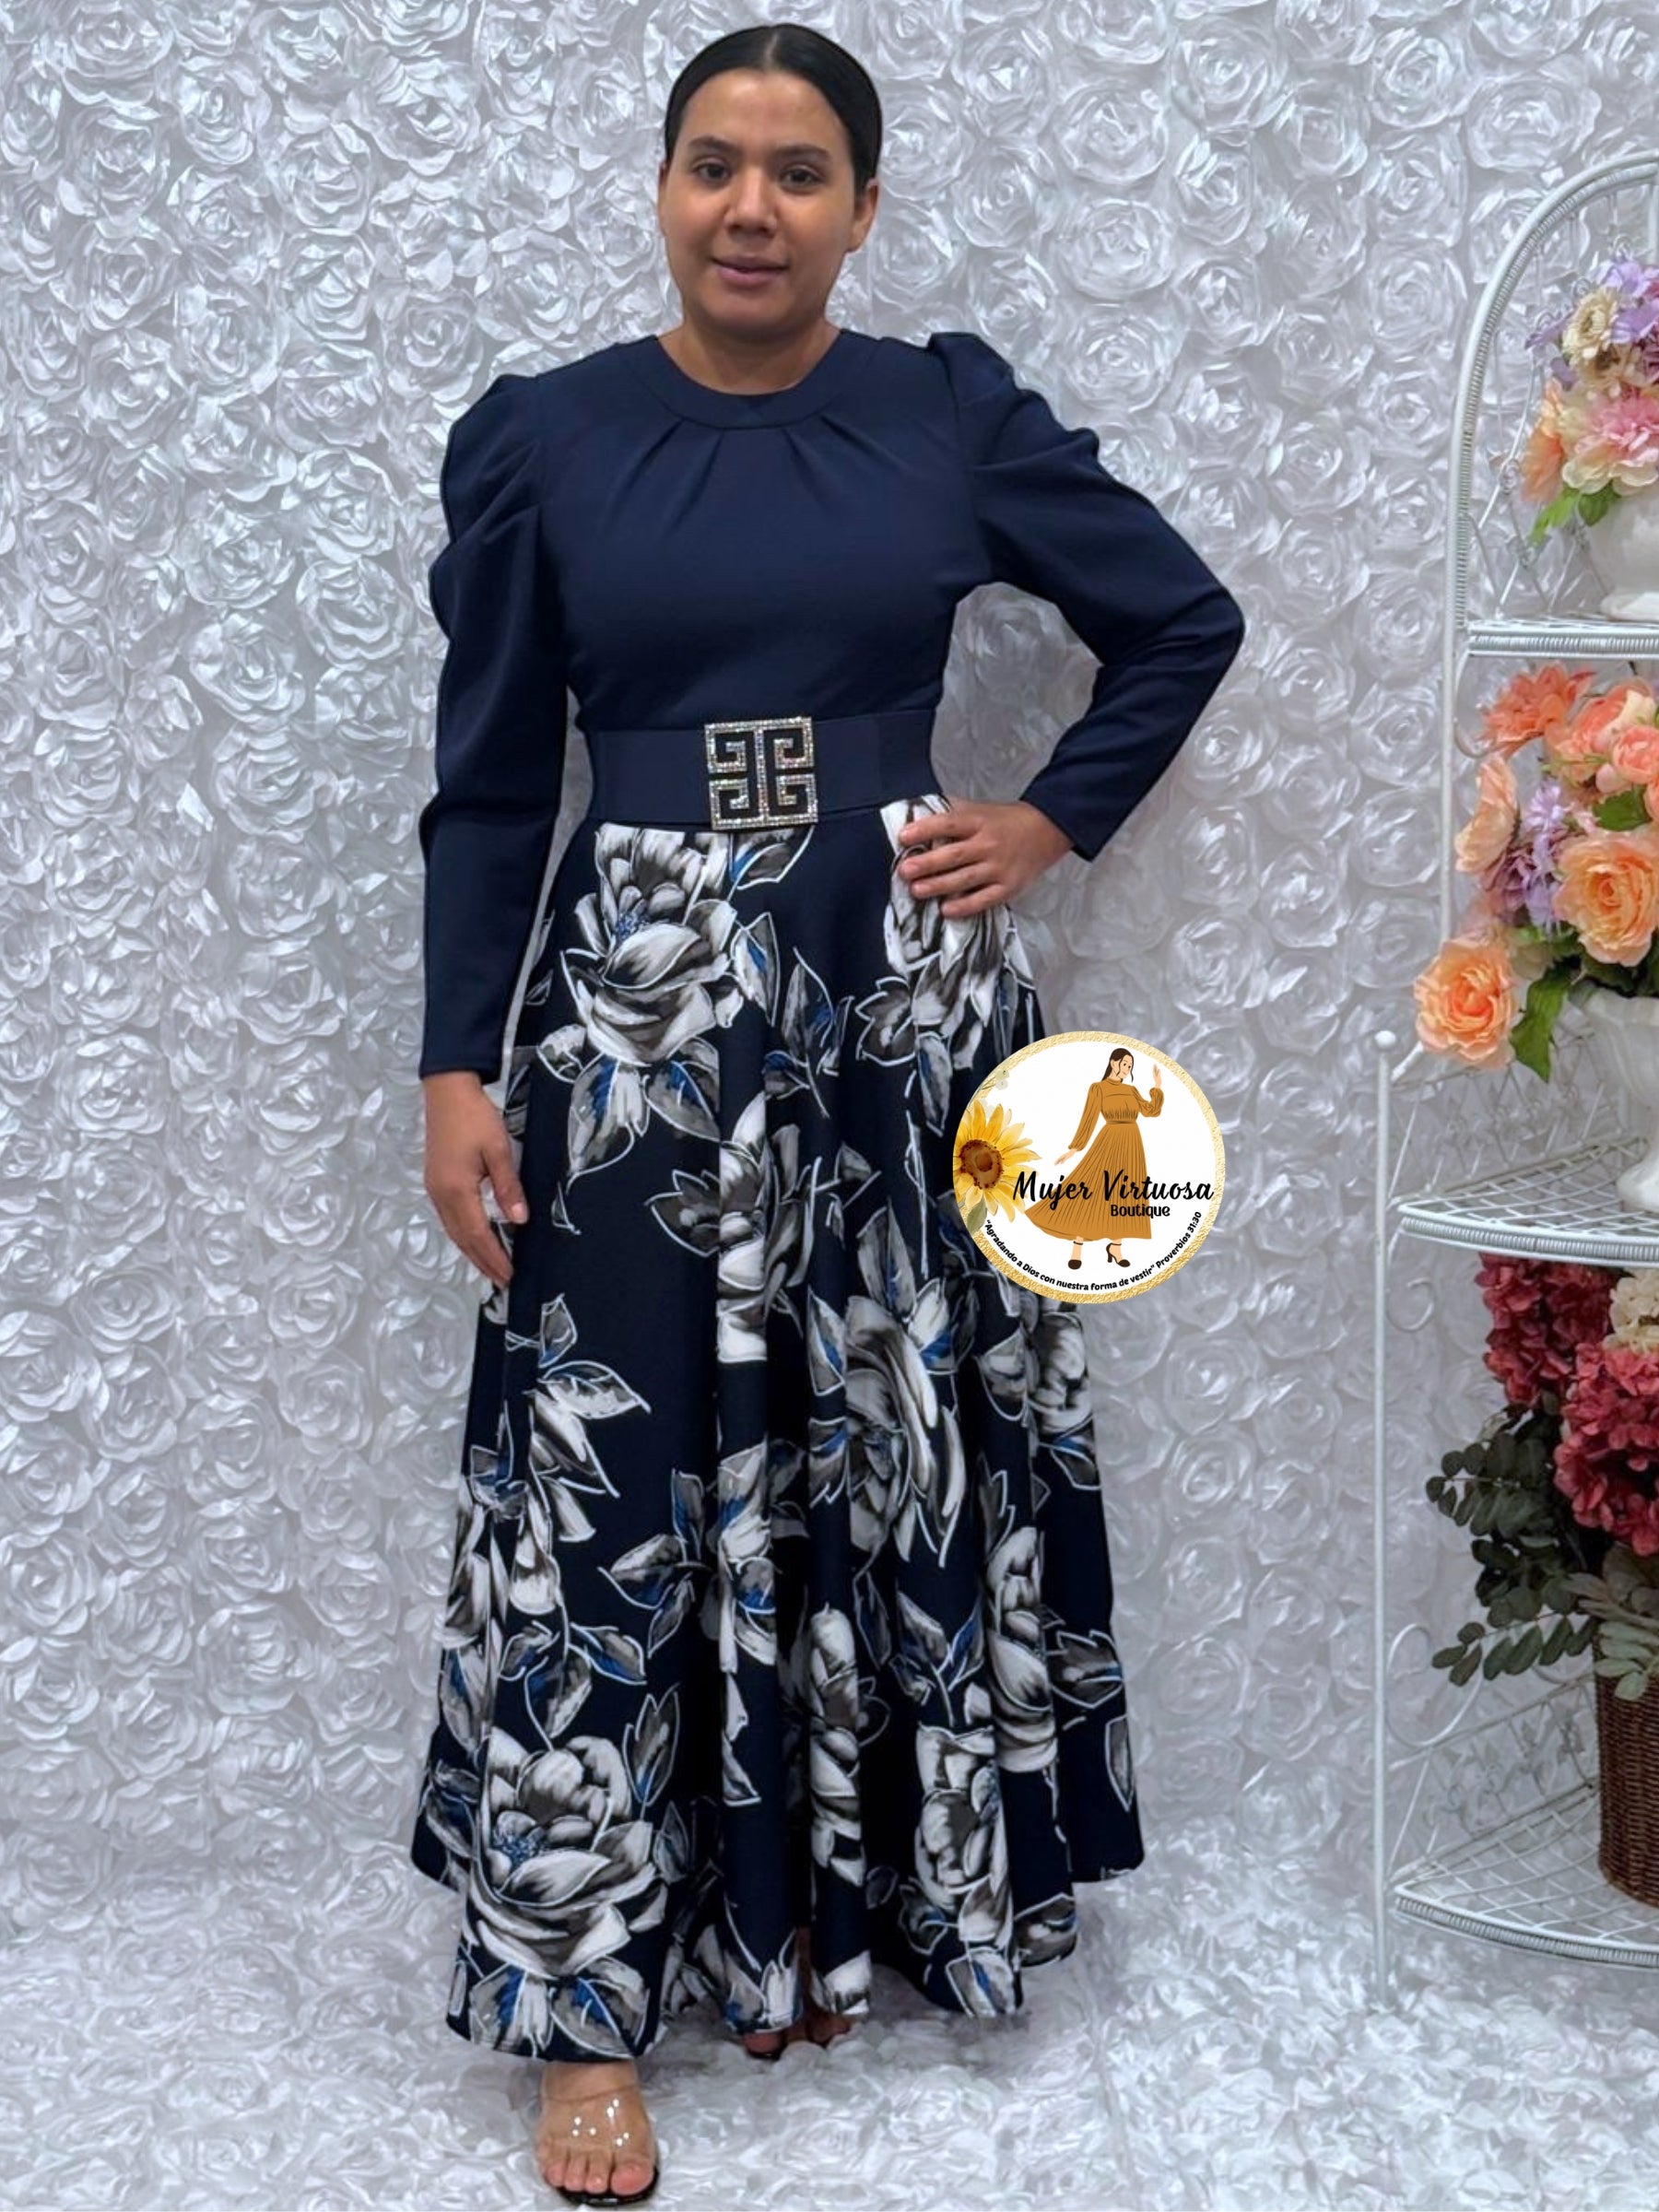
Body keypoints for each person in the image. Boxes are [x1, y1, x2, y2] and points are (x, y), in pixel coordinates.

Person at [408, 22, 1246, 2206]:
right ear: (662, 188)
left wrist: (1045, 818)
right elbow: (490, 786)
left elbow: (1181, 617)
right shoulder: (548, 441)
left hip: (899, 1013)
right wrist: (453, 1066)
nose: (751, 207)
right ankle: (585, 2012)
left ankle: (850, 1920)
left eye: (798, 172)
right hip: (634, 1026)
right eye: (714, 164)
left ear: (863, 207)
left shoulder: (943, 413)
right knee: (613, 1487)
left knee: (893, 1444)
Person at [1030, 1049, 1166, 1272]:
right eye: (1124, 1064)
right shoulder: (1098, 1088)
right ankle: (1077, 1248)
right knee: (1091, 1191)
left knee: (1124, 1194)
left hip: (1132, 1144)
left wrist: (1157, 1086)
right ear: (1113, 1063)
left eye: (1130, 1066)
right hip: (1109, 1141)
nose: (1127, 1069)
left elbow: (1151, 1111)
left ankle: (1116, 1248)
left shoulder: (1131, 1090)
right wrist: (1074, 1149)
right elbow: (1089, 1119)